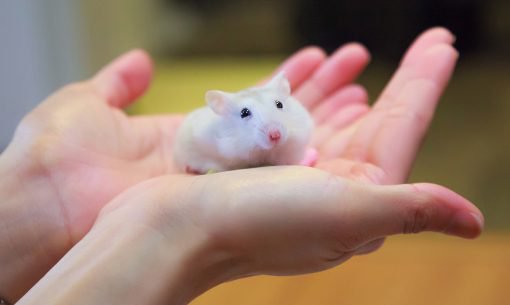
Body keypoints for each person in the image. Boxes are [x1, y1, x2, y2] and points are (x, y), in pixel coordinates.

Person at [0, 28, 483, 305]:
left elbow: (286, 137)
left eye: (277, 111)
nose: (270, 128)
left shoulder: (289, 121)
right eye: (251, 116)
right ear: (225, 111)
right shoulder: (207, 129)